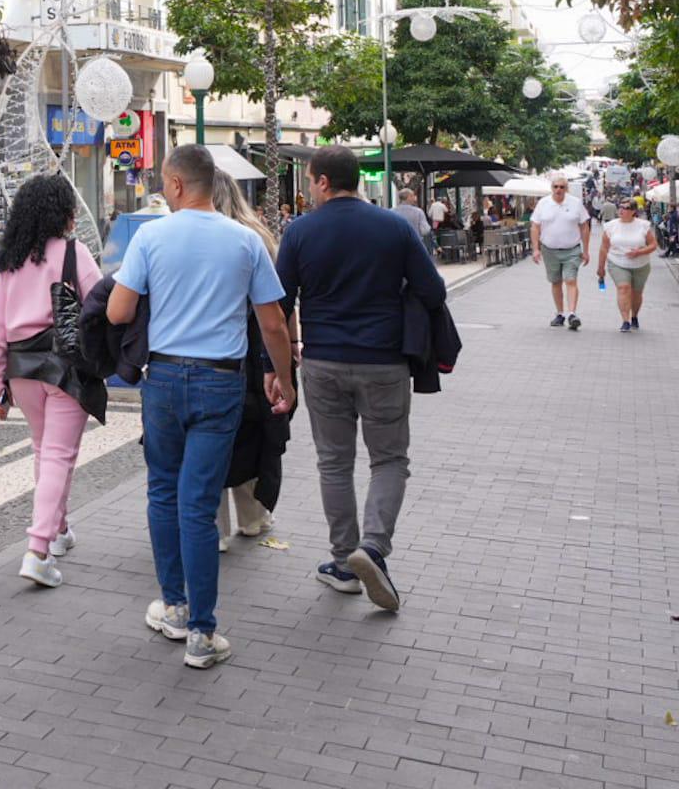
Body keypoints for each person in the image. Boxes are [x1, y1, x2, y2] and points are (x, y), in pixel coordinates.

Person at [107, 144, 296, 669]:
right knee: (198, 502)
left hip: (164, 379)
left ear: (175, 184)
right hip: (220, 381)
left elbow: (119, 312)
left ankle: (173, 606)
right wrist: (283, 380)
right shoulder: (245, 240)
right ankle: (202, 634)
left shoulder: (151, 236)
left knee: (163, 492)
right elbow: (274, 323)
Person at [276, 146, 446, 613]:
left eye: (310, 180)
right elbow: (433, 290)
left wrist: (281, 363)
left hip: (323, 361)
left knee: (334, 463)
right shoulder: (393, 226)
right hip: (384, 362)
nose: (309, 188)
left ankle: (343, 564)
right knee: (389, 459)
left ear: (323, 182)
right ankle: (372, 547)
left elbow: (279, 301)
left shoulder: (300, 231)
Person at [0, 173, 102, 590]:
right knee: (57, 455)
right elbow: (100, 305)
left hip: (22, 370)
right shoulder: (74, 253)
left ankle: (59, 528)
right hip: (64, 367)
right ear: (62, 213)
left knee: (44, 451)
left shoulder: (11, 262)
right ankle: (37, 550)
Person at [210, 171, 294, 547]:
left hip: (214, 347)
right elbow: (280, 304)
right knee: (253, 431)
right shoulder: (258, 236)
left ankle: (214, 527)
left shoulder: (195, 236)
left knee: (211, 437)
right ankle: (253, 517)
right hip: (256, 346)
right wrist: (290, 351)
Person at [530, 176, 592, 329]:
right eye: (556, 186)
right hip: (549, 250)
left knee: (571, 280)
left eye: (562, 187)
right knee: (556, 282)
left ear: (566, 189)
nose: (558, 190)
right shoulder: (543, 203)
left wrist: (586, 250)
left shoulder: (575, 203)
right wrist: (536, 249)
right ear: (552, 188)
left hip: (572, 249)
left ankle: (572, 314)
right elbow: (535, 226)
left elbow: (584, 227)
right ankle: (560, 314)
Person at [595, 198, 659, 332]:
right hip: (617, 262)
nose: (622, 210)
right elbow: (604, 248)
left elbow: (653, 245)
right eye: (620, 207)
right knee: (623, 288)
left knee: (636, 293)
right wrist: (600, 267)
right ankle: (625, 320)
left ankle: (634, 316)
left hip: (640, 264)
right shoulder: (611, 226)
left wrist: (639, 252)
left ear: (634, 211)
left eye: (626, 208)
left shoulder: (643, 225)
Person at [392, 187, 434, 254]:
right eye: (413, 196)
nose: (414, 198)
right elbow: (425, 230)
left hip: (396, 246)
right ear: (409, 197)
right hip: (414, 245)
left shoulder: (391, 212)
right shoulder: (418, 212)